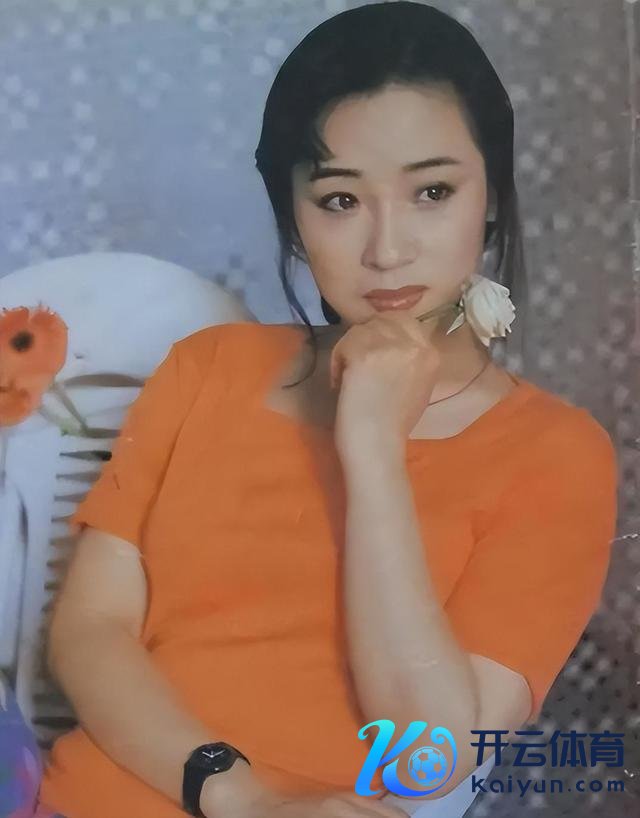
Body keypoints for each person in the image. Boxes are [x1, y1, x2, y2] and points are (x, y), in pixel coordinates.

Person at [36, 3, 618, 818]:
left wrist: (372, 446)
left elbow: (428, 751)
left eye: (433, 191)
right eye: (340, 200)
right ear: (293, 216)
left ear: (491, 194)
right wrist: (238, 795)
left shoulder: (555, 453)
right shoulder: (210, 368)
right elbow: (89, 630)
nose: (387, 249)